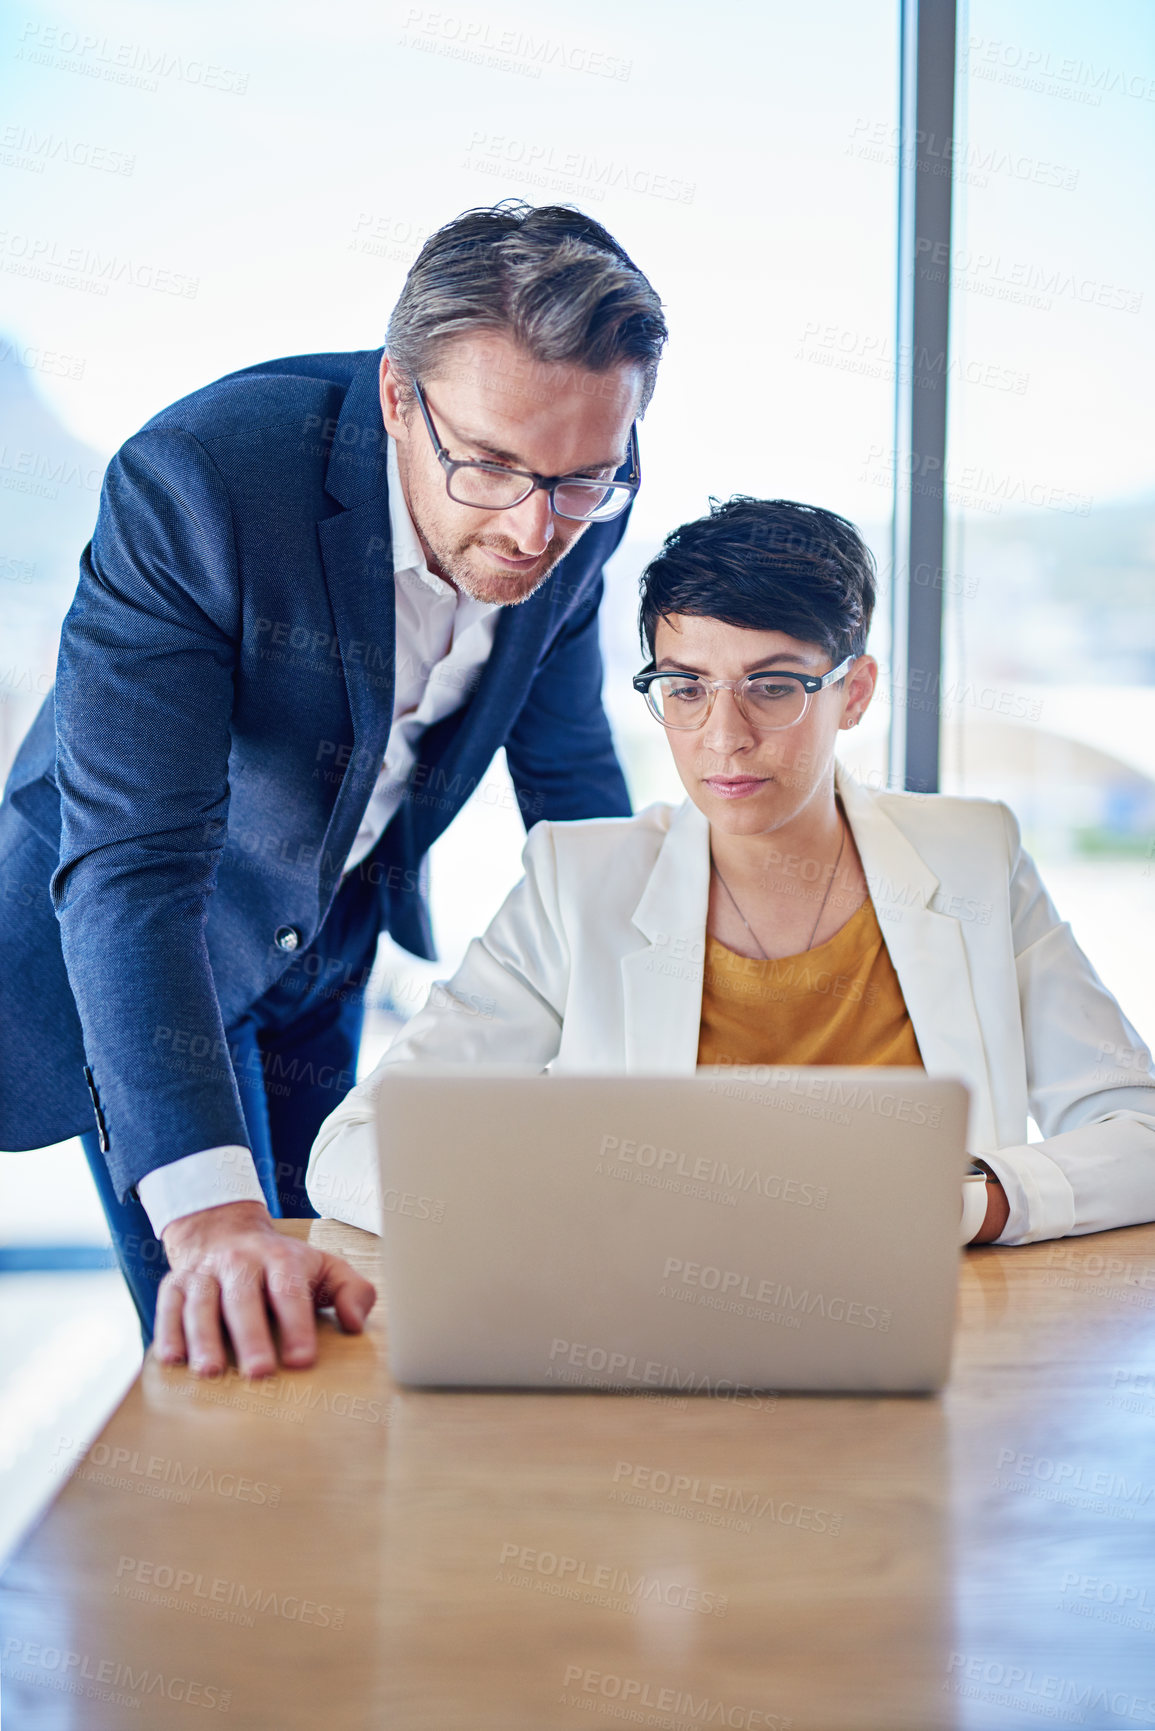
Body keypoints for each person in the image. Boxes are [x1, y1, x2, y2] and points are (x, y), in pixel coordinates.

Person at [0, 201, 667, 1375]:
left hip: (336, 929)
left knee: (351, 1308)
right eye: (493, 467)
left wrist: (654, 1018)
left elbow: (564, 763)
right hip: (164, 947)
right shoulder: (202, 481)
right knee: (243, 1331)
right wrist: (212, 1216)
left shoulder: (580, 479)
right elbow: (135, 862)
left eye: (581, 482)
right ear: (398, 397)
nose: (535, 528)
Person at [306, 497, 1155, 1248]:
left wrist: (979, 1203)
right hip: (660, 1348)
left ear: (853, 693)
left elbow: (1140, 1132)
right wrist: (571, 1216)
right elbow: (352, 1152)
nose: (723, 735)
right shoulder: (580, 885)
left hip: (946, 1347)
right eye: (685, 687)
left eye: (773, 686)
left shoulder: (973, 857)